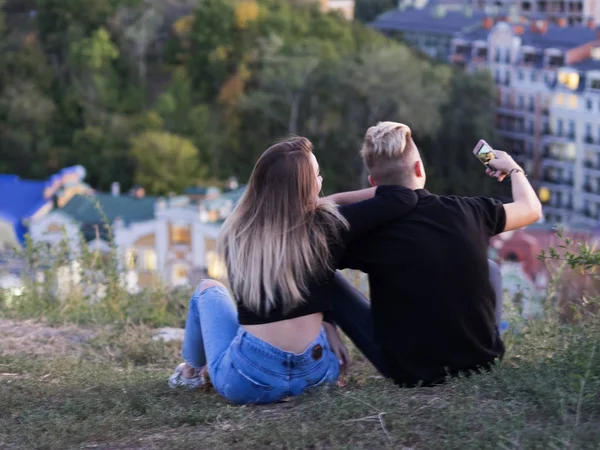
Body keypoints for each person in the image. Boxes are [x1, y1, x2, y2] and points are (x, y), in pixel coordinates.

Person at [168, 136, 419, 404]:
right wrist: (329, 202)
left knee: (209, 290)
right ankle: (198, 371)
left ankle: (191, 371)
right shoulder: (326, 225)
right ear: (304, 188)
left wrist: (327, 321)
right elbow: (403, 196)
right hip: (317, 376)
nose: (321, 183)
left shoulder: (237, 231)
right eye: (317, 177)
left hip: (246, 380)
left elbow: (269, 302)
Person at [326, 122, 542, 387]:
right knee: (491, 268)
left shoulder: (370, 231)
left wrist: (327, 321)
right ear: (419, 169)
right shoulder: (469, 211)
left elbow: (314, 253)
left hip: (409, 373)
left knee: (327, 278)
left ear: (373, 184)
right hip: (480, 363)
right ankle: (480, 343)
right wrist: (512, 169)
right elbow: (531, 209)